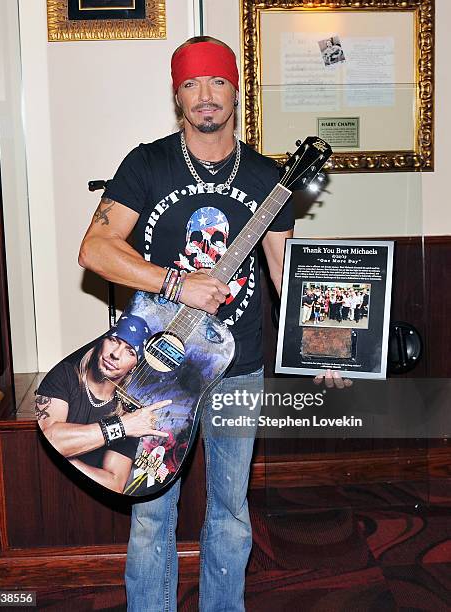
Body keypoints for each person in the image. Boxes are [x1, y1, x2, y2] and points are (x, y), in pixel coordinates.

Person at [78, 35, 346, 612]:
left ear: (235, 89)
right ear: (177, 95)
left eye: (217, 81)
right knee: (151, 513)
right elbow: (95, 250)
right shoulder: (147, 163)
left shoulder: (267, 177)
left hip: (239, 367)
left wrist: (322, 348)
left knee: (230, 511)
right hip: (158, 368)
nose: (205, 95)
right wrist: (177, 282)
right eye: (192, 83)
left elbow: (283, 266)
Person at [35, 313, 170, 494]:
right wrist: (121, 426)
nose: (115, 354)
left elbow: (114, 483)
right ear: (102, 342)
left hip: (91, 502)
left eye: (130, 351)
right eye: (114, 341)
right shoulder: (64, 376)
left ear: (135, 366)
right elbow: (50, 441)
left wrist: (66, 456)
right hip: (43, 485)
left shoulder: (130, 413)